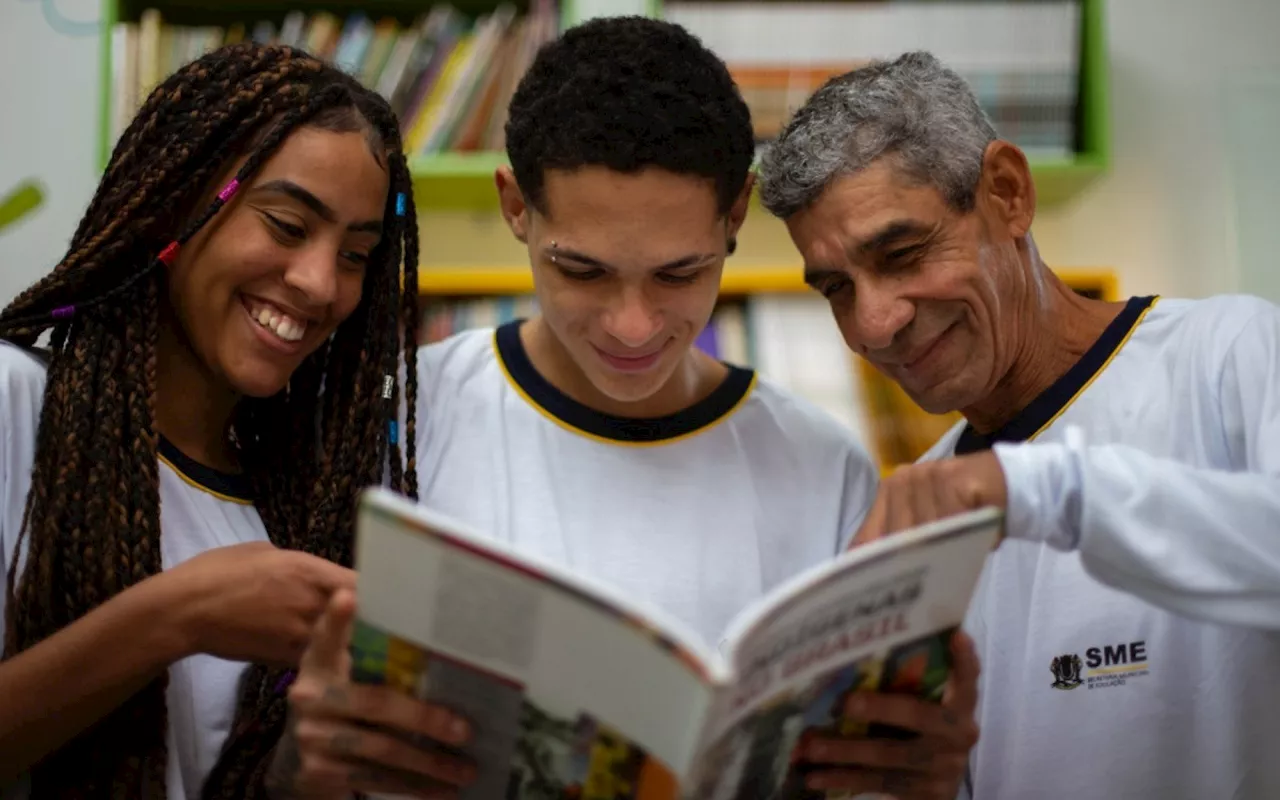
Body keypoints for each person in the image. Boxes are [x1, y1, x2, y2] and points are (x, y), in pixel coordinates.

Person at [269, 16, 980, 800]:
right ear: (515, 206)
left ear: (737, 215)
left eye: (680, 274)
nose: (632, 325)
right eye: (582, 270)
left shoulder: (822, 466)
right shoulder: (398, 422)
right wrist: (309, 760)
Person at [758, 50, 1280, 799]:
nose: (874, 324)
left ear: (1007, 194)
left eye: (903, 253)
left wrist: (1035, 487)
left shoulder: (1228, 357)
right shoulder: (917, 526)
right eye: (837, 288)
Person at [0, 42, 427, 799]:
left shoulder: (305, 507)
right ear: (177, 204)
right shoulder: (14, 405)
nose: (320, 283)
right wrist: (179, 614)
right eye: (289, 226)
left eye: (358, 255)